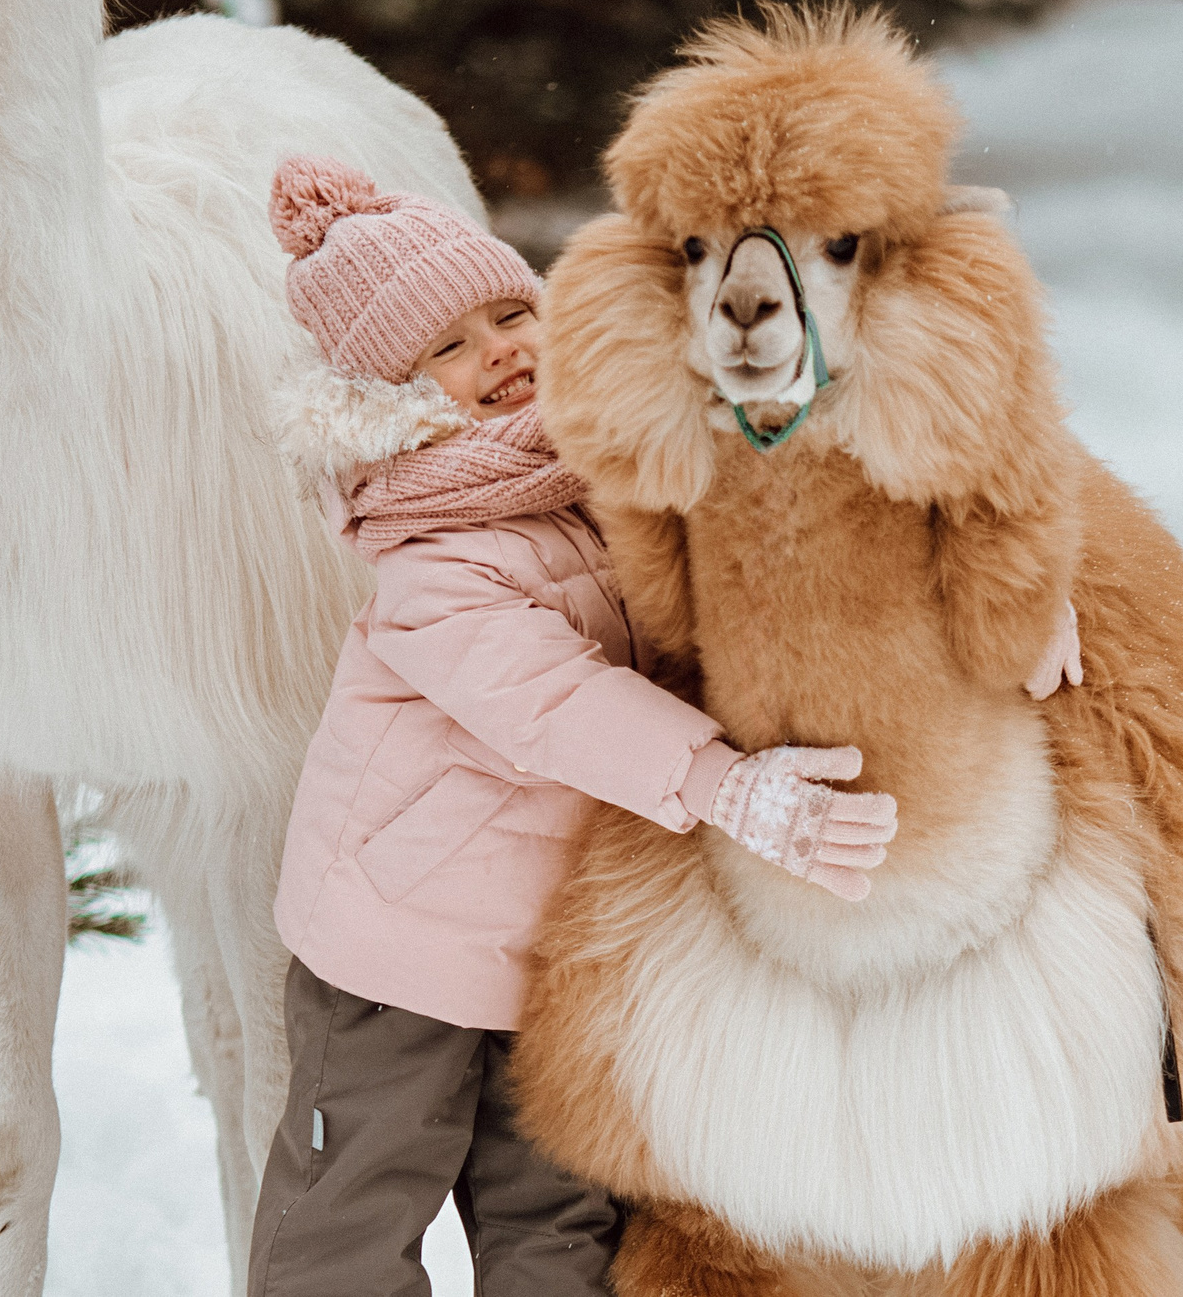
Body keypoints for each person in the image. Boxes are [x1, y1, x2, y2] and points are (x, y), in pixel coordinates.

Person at [250, 154, 898, 1297]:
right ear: (389, 395)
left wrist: (1020, 598)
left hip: (555, 951)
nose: (499, 349)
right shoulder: (428, 558)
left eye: (510, 312)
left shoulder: (597, 473)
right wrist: (723, 784)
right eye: (447, 346)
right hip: (398, 949)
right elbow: (552, 701)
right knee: (353, 1203)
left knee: (557, 1209)